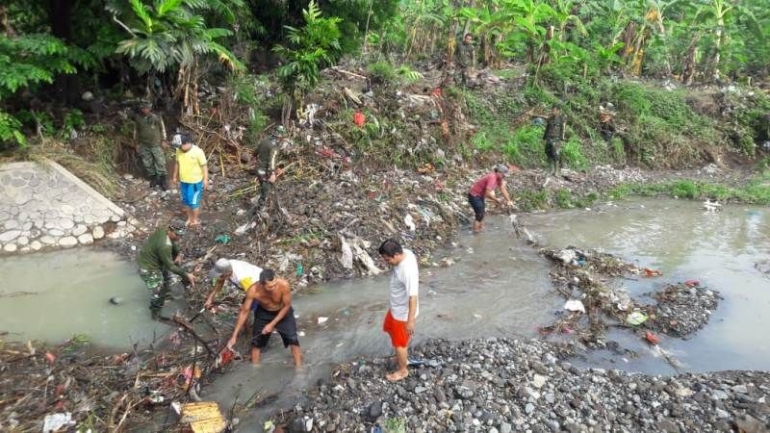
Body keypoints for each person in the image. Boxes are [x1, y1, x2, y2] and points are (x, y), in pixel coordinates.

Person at [226, 269, 302, 367]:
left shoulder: (283, 285)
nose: (274, 287)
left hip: (283, 311)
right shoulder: (253, 290)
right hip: (264, 312)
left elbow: (286, 306)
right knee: (256, 343)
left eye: (275, 284)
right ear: (262, 284)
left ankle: (299, 370)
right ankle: (255, 369)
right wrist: (234, 336)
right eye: (270, 286)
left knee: (293, 339)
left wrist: (271, 324)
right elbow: (244, 312)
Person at [378, 239, 419, 382]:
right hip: (395, 307)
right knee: (388, 328)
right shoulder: (406, 252)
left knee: (399, 344)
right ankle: (402, 349)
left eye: (387, 259)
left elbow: (413, 298)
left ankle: (403, 370)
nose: (386, 261)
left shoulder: (407, 272)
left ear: (396, 255)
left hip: (402, 314)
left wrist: (410, 321)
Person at [137, 220, 195, 319]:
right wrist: (186, 274)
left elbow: (172, 242)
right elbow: (171, 267)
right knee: (157, 293)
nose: (179, 238)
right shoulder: (164, 246)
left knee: (168, 279)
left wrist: (177, 253)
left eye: (181, 235)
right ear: (170, 230)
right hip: (148, 268)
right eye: (177, 235)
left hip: (152, 257)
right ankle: (155, 315)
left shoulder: (164, 229)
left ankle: (167, 295)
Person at [171, 134, 208, 227]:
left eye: (180, 146)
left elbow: (204, 166)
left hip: (195, 182)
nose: (179, 148)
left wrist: (205, 179)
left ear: (187, 143)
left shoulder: (198, 152)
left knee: (194, 202)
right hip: (184, 181)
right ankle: (189, 218)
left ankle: (195, 220)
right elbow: (177, 163)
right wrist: (175, 176)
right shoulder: (179, 151)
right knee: (186, 200)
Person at [467, 164, 514, 233]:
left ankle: (481, 229)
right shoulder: (492, 177)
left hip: (480, 196)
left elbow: (502, 188)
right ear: (498, 172)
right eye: (503, 175)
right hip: (474, 196)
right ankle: (476, 233)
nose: (504, 177)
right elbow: (487, 193)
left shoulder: (499, 178)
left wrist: (509, 200)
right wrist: (496, 200)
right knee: (479, 215)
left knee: (482, 213)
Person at [133, 101, 169, 190]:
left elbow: (162, 128)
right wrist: (136, 143)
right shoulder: (138, 118)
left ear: (150, 108)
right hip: (144, 144)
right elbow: (136, 131)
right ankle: (153, 178)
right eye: (143, 108)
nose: (145, 110)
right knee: (147, 162)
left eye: (147, 108)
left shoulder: (156, 117)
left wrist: (164, 140)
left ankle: (162, 180)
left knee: (160, 161)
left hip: (156, 143)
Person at [251, 126, 285, 213]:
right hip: (264, 171)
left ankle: (264, 202)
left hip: (258, 169)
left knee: (263, 186)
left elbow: (256, 151)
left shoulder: (264, 140)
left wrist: (253, 157)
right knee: (266, 189)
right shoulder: (274, 146)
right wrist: (273, 173)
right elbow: (271, 160)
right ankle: (260, 208)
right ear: (280, 137)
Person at [544, 104, 566, 175]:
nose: (553, 112)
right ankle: (551, 169)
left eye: (554, 110)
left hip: (556, 139)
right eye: (552, 110)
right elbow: (547, 128)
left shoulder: (561, 119)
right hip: (549, 138)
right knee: (548, 153)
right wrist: (544, 137)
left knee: (556, 154)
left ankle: (556, 171)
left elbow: (563, 129)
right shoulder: (550, 119)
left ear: (558, 111)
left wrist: (562, 139)